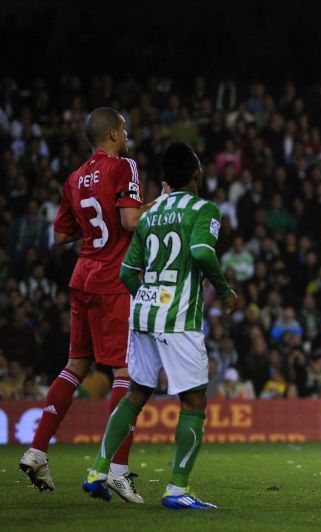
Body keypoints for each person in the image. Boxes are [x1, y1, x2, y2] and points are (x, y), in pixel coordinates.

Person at [82, 142, 239, 509]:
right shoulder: (204, 209)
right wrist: (226, 292)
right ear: (196, 173)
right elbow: (201, 252)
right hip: (179, 318)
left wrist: (149, 295)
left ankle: (97, 471)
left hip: (144, 315)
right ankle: (177, 490)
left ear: (165, 178)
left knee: (136, 394)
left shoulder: (149, 214)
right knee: (194, 400)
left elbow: (126, 273)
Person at [19, 108, 154, 501]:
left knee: (76, 365)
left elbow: (61, 234)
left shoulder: (74, 177)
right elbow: (130, 222)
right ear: (113, 133)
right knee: (128, 373)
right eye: (124, 128)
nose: (127, 134)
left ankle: (37, 449)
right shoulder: (123, 166)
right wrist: (159, 203)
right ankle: (116, 469)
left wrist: (93, 230)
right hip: (113, 279)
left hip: (82, 277)